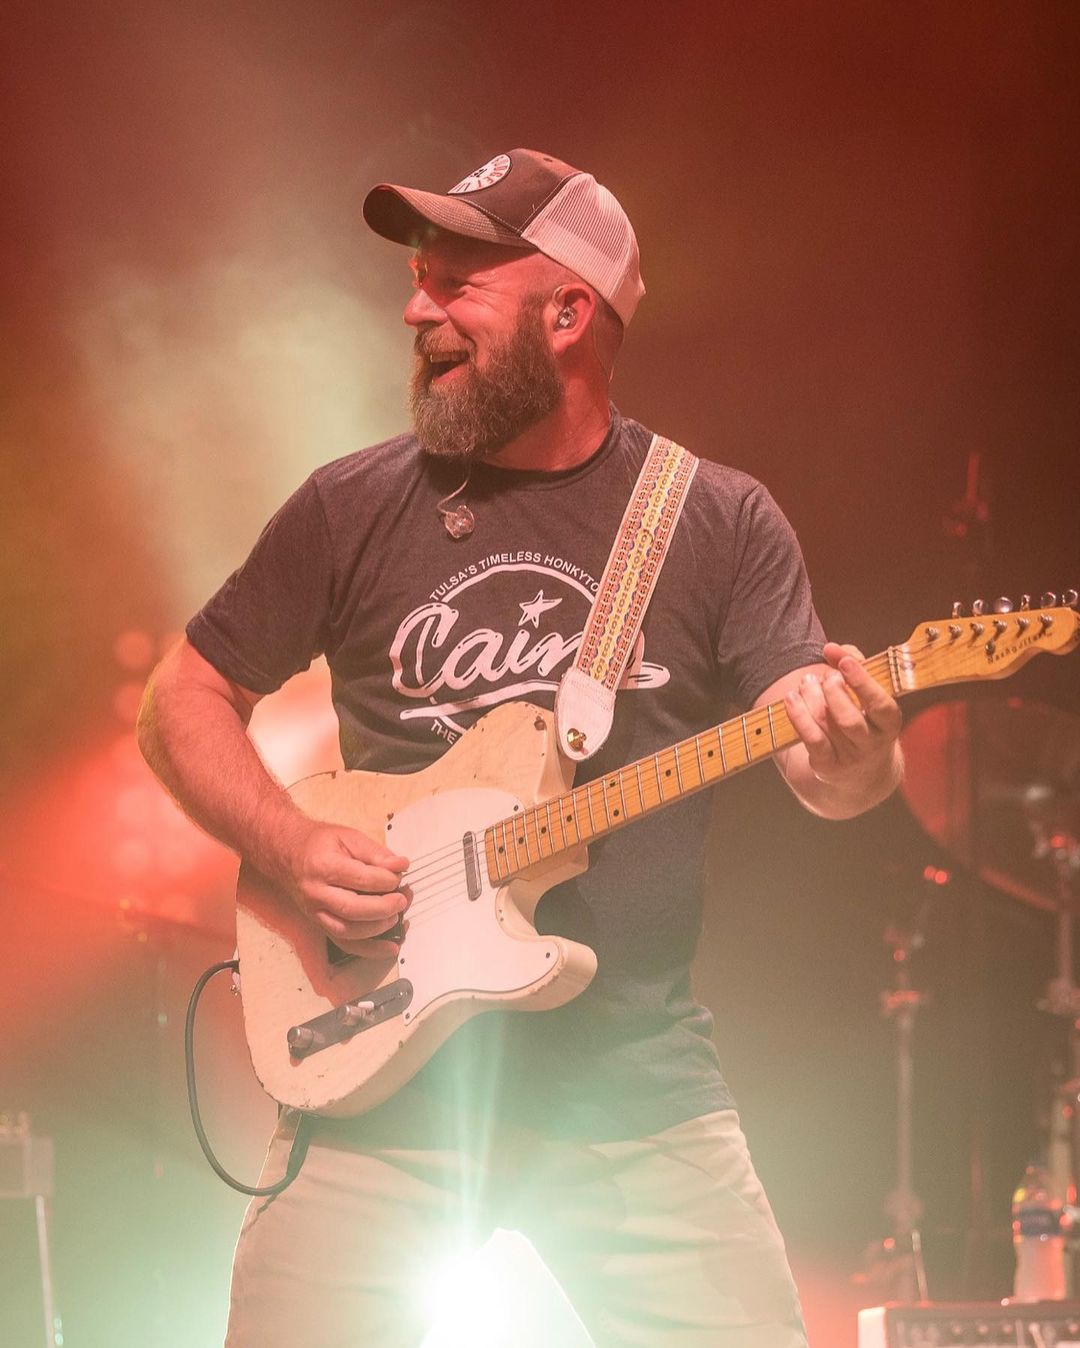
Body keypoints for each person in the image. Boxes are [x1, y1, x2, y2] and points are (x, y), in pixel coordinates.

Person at [138, 148, 903, 1347]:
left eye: (458, 285)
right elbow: (181, 695)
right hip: (379, 1087)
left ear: (567, 313)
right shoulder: (352, 504)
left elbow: (824, 767)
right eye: (419, 282)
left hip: (634, 1090)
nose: (417, 312)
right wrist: (287, 842)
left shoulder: (715, 517)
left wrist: (858, 755)